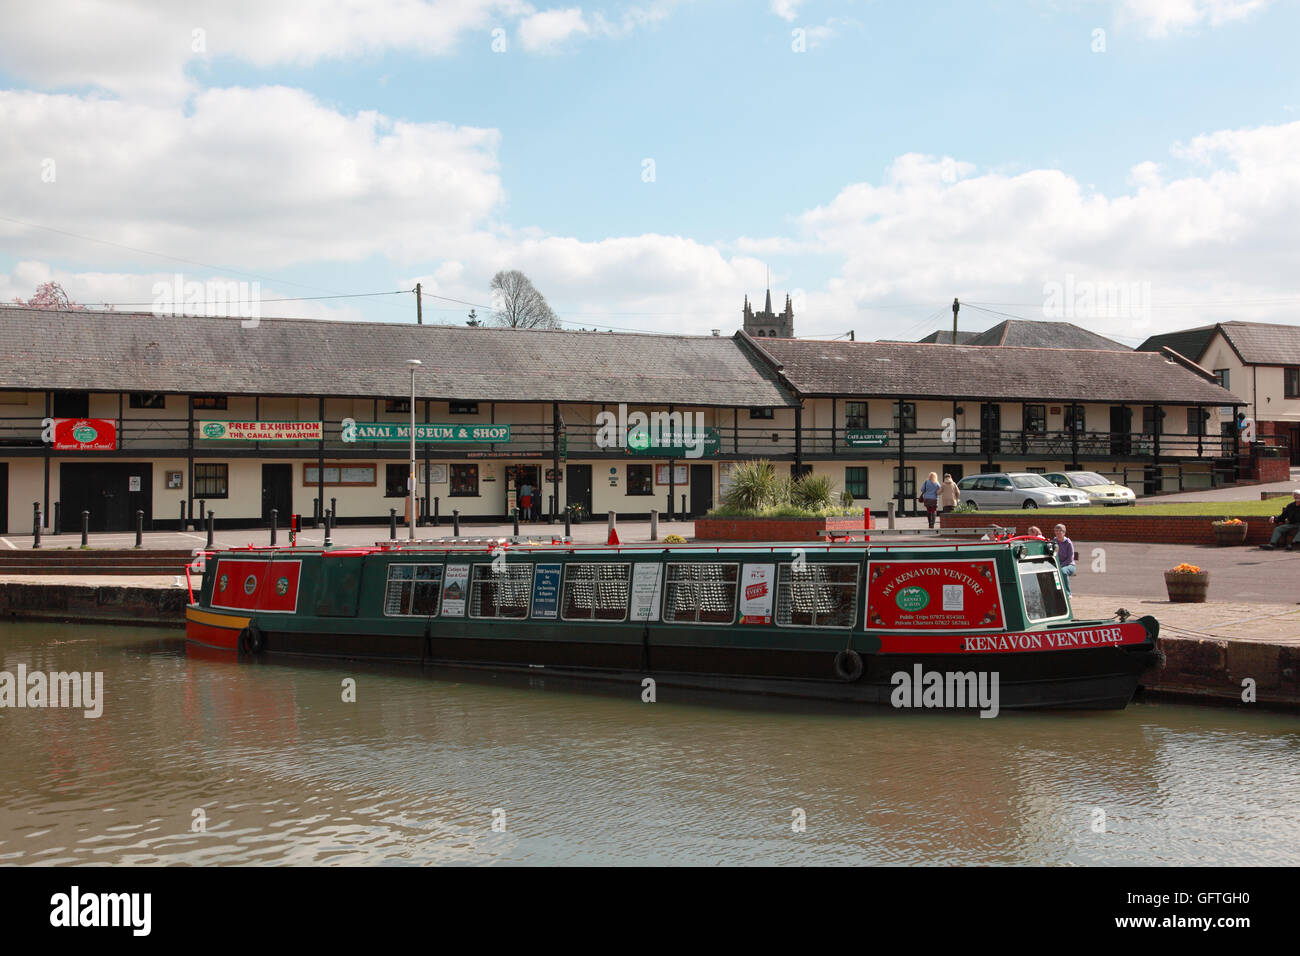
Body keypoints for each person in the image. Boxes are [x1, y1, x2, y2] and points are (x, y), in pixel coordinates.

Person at [1053, 524, 1076, 592]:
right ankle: (1056, 591)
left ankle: (1067, 592)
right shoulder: (1054, 541)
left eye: (1060, 531)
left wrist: (1060, 565)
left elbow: (1070, 559)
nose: (1058, 532)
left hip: (1069, 565)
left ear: (1064, 532)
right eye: (1056, 531)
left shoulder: (1068, 542)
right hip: (1057, 564)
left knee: (1063, 572)